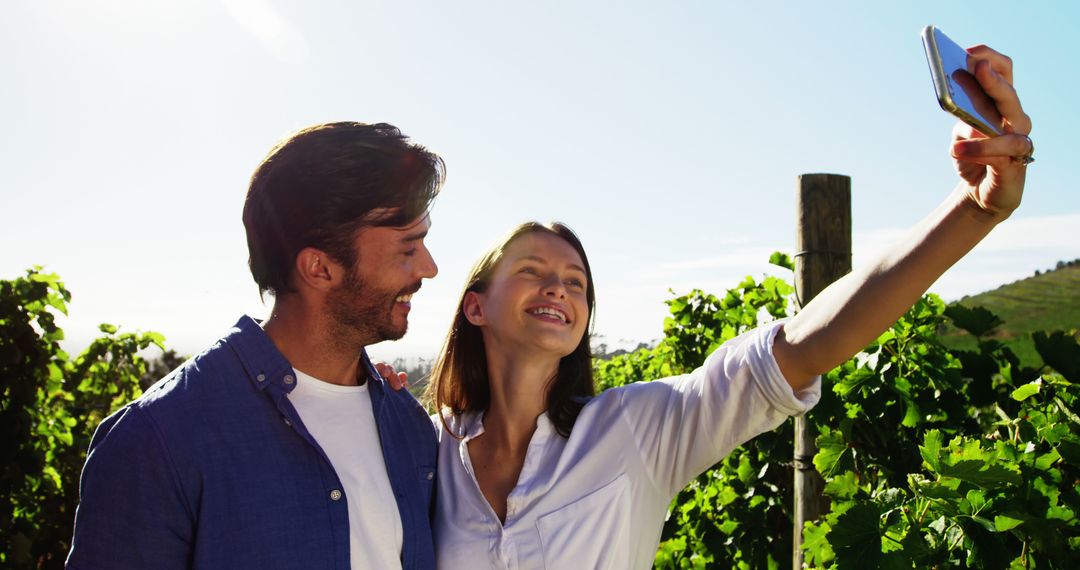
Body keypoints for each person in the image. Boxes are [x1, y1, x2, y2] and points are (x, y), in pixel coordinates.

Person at [404, 46, 1034, 569]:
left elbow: (803, 346)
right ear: (475, 307)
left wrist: (973, 210)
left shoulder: (635, 429)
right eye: (532, 272)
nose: (559, 290)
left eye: (576, 282)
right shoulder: (424, 448)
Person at [66, 122, 445, 569]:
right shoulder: (159, 441)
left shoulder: (410, 427)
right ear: (319, 268)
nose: (430, 268)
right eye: (408, 249)